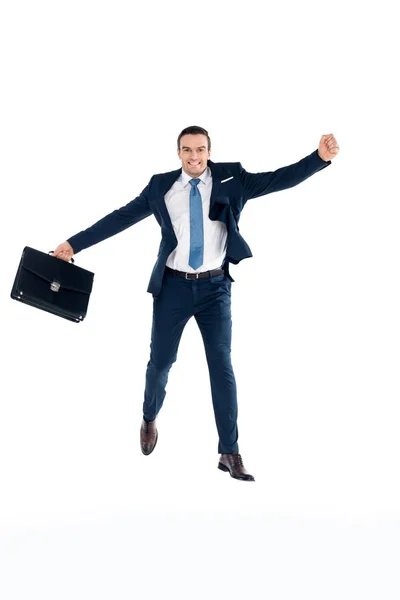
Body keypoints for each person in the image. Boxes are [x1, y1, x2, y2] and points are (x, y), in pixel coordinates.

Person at [53, 125, 340, 481]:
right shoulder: (161, 187)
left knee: (222, 366)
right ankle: (149, 416)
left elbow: (279, 179)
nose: (194, 157)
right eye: (187, 150)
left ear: (209, 151)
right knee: (160, 363)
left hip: (215, 289)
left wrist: (319, 160)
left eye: (200, 150)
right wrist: (74, 244)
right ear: (178, 153)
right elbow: (120, 218)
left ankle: (229, 451)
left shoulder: (232, 178)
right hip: (172, 287)